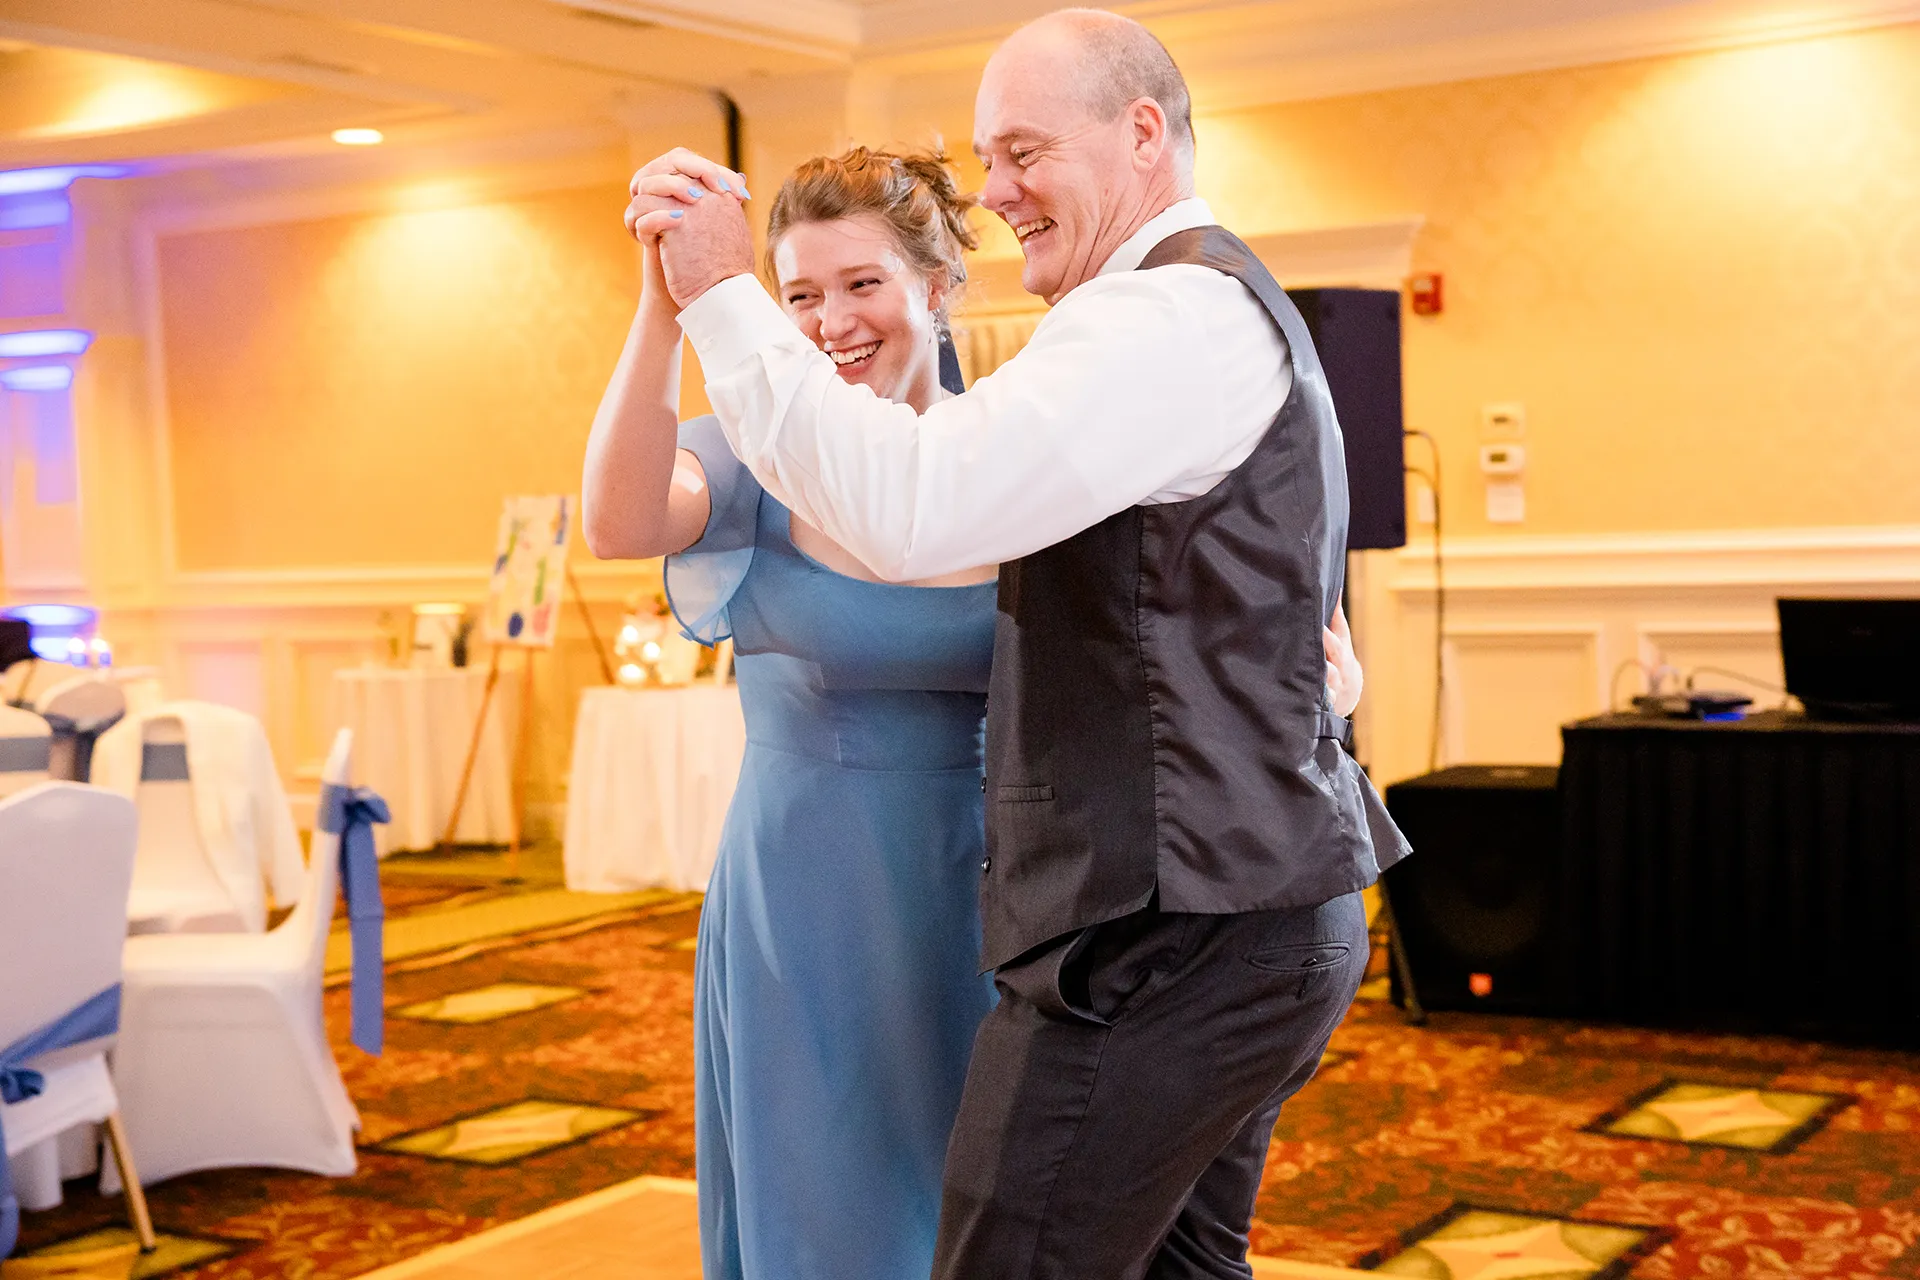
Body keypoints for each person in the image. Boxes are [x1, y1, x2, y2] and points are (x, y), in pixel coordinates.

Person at [625, 7, 1409, 1278]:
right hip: (1244, 907)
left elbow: (912, 506)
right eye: (987, 160)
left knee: (1008, 1253)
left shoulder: (1158, 318)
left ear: (1143, 132)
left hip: (1180, 931)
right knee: (1177, 1265)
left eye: (1024, 151)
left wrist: (720, 293)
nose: (993, 194)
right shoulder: (1207, 307)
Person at [581, 147, 1002, 1280]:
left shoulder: (1005, 455)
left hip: (992, 895)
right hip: (805, 901)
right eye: (799, 294)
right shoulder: (754, 456)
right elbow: (618, 521)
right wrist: (664, 309)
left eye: (862, 283)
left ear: (941, 280)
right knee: (830, 1215)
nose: (831, 322)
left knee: (989, 1205)